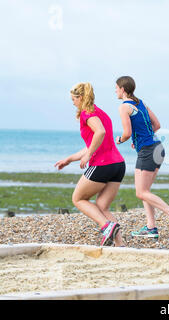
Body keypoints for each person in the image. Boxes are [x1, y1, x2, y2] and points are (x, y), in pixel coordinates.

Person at [55, 82, 126, 247]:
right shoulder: (99, 112)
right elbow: (94, 142)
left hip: (102, 164)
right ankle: (120, 245)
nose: (72, 102)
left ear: (80, 97)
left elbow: (100, 133)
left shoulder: (87, 114)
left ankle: (106, 226)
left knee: (78, 198)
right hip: (118, 165)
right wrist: (69, 159)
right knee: (102, 206)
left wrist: (88, 155)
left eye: (73, 99)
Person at [115, 76, 169, 239]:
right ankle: (151, 227)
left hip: (147, 150)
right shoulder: (141, 103)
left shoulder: (124, 107)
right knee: (144, 191)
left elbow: (127, 133)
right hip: (157, 147)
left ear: (123, 89)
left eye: (116, 88)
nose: (115, 91)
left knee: (141, 192)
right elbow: (156, 125)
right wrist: (139, 139)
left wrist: (120, 139)